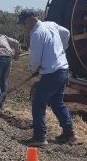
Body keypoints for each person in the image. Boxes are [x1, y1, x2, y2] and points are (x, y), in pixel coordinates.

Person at [17, 9, 76, 146]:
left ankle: (39, 136)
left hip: (51, 73)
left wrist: (32, 69)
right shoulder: (51, 24)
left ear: (31, 19)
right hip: (63, 70)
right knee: (57, 102)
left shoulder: (37, 34)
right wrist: (61, 49)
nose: (24, 26)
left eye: (24, 23)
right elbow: (66, 33)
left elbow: (36, 58)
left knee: (38, 103)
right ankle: (69, 134)